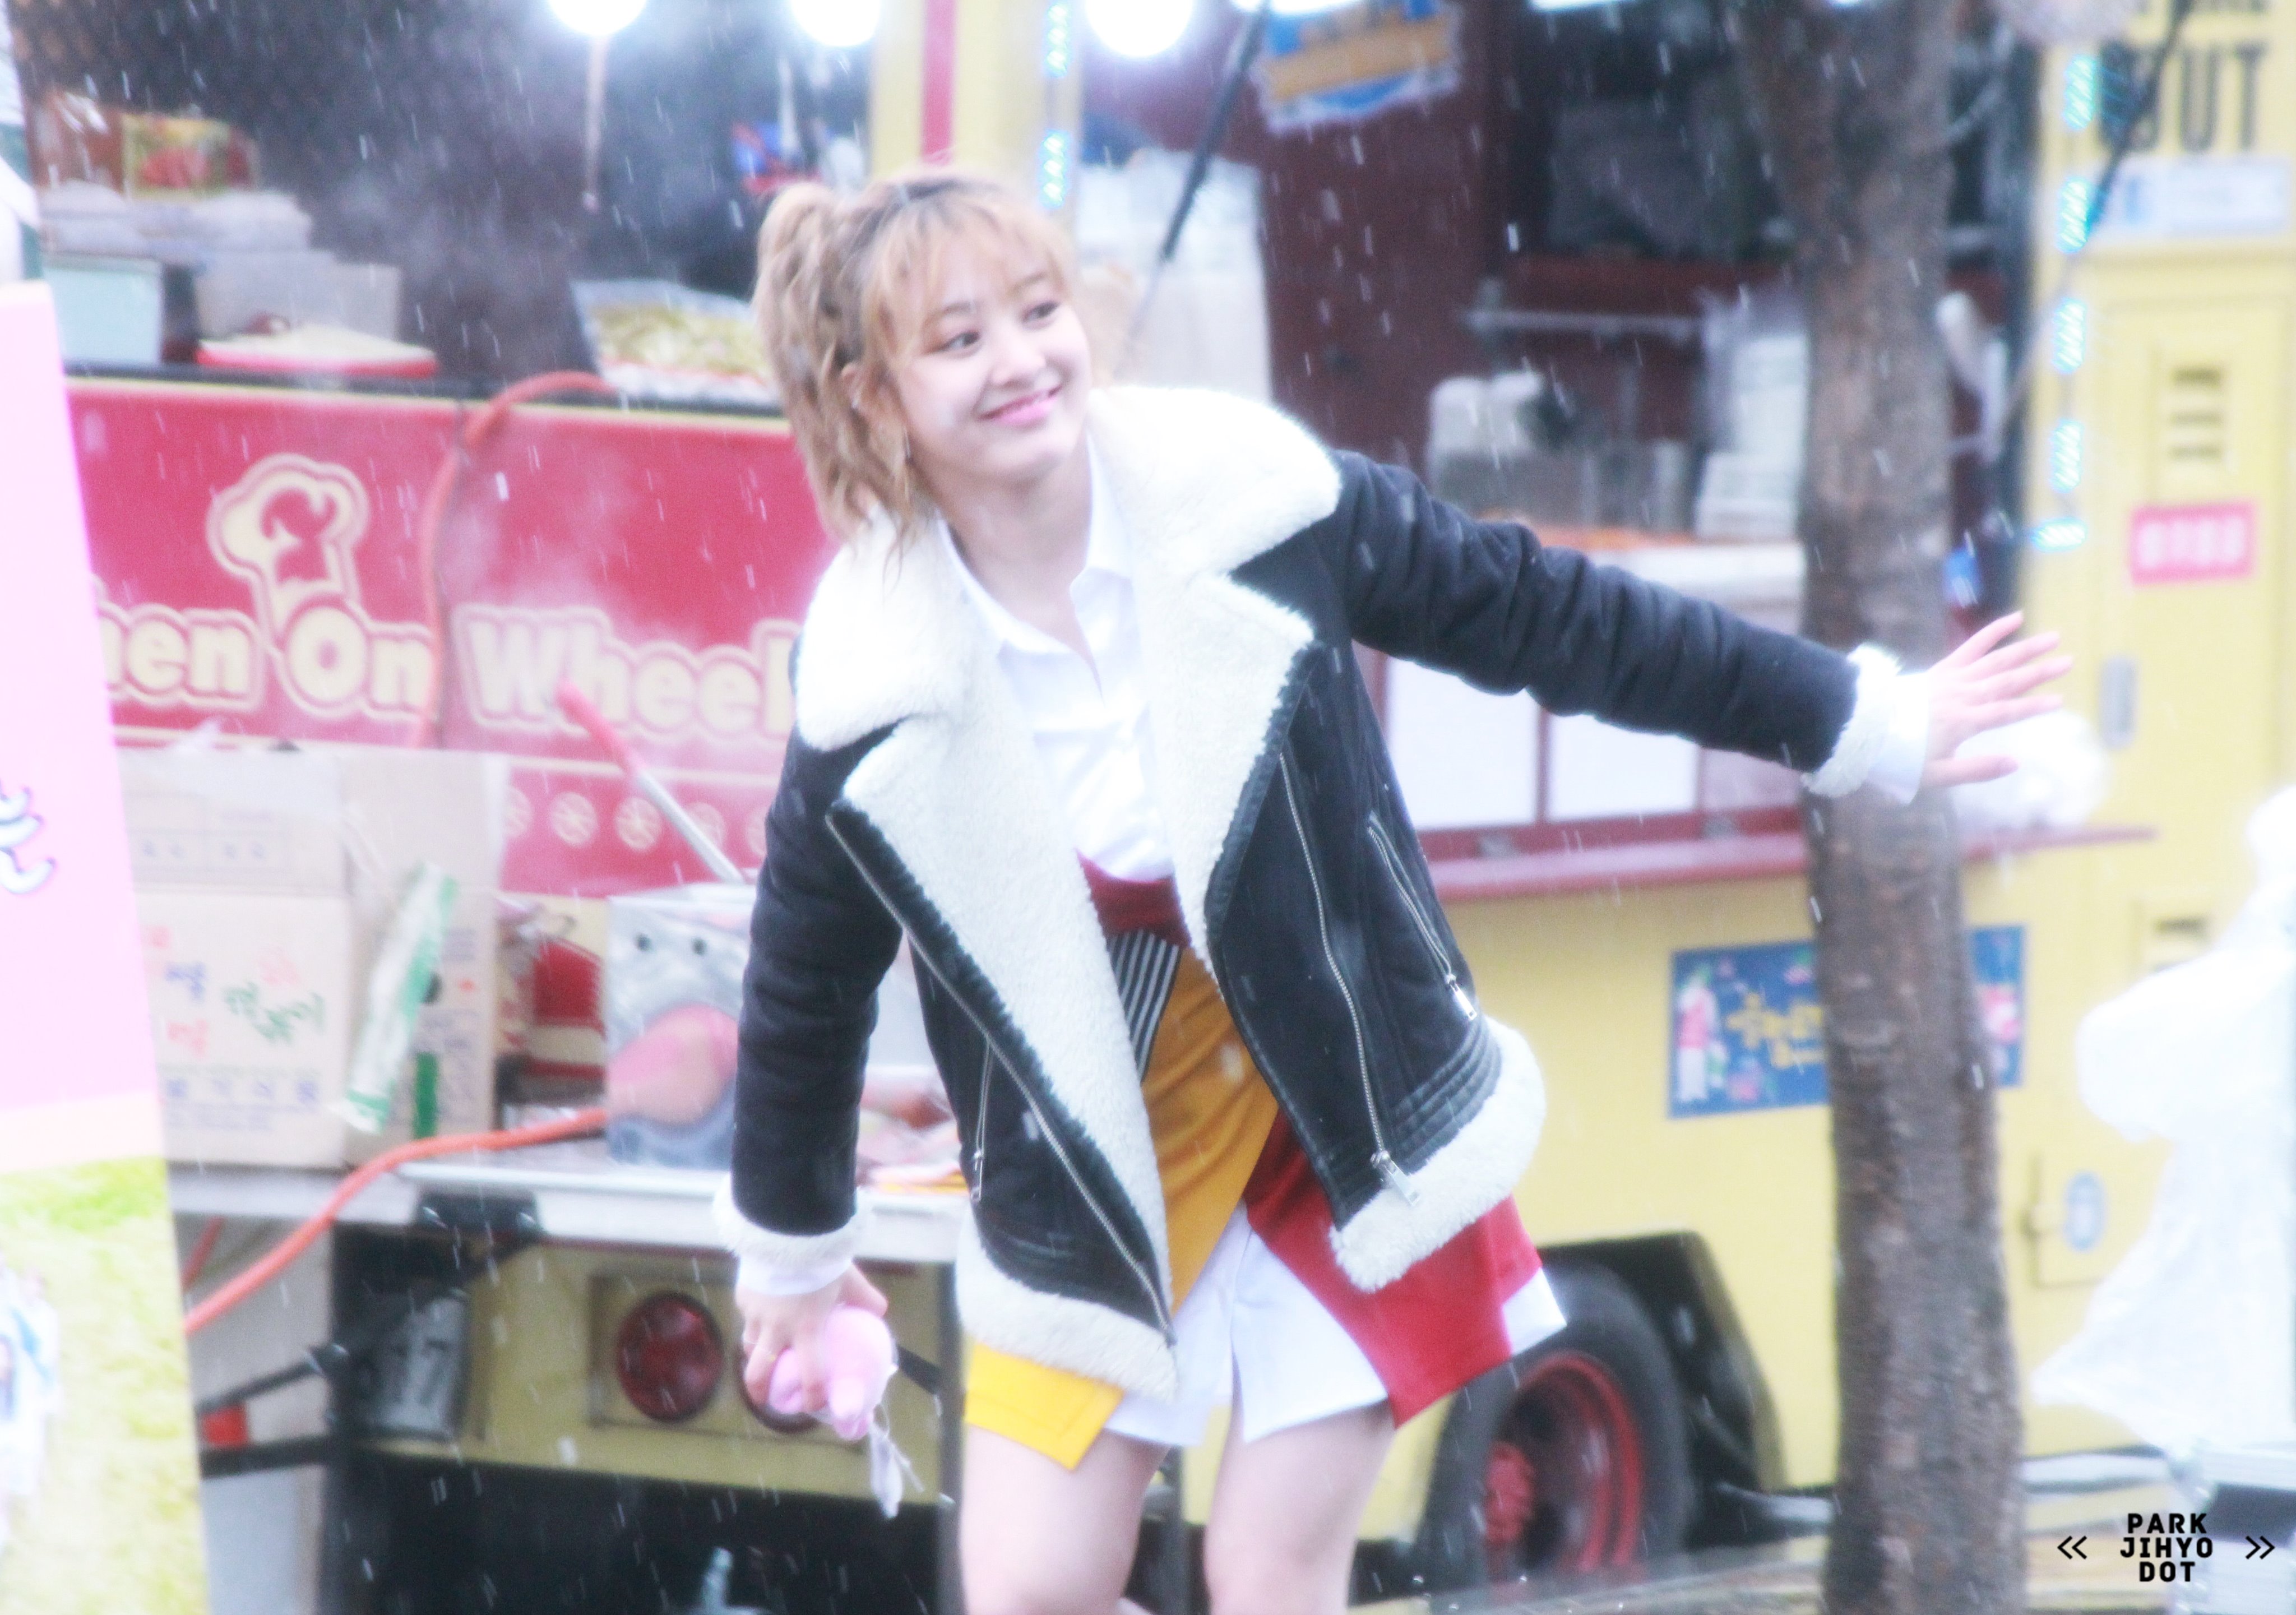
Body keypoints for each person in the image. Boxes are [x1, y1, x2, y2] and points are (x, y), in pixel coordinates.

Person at [714, 169, 2065, 1615]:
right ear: (873, 400)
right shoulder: (872, 682)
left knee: (1266, 1573)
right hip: (1094, 1165)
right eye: (958, 340)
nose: (1021, 361)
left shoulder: (1258, 505)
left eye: (1039, 311)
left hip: (1348, 1113)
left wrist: (1858, 719)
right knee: (1030, 1593)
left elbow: (1545, 612)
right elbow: (803, 990)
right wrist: (795, 1262)